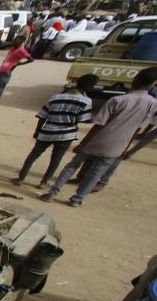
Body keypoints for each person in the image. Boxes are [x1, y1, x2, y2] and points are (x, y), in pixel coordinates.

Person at [41, 68, 157, 207]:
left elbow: (99, 125)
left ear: (135, 79)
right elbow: (138, 129)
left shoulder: (118, 100)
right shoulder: (152, 104)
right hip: (118, 145)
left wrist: (83, 143)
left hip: (98, 140)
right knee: (96, 172)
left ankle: (53, 192)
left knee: (72, 166)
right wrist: (125, 147)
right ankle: (78, 199)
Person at [15, 74, 97, 188]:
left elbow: (42, 115)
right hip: (65, 135)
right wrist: (94, 119)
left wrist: (37, 131)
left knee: (33, 155)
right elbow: (83, 119)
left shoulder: (56, 97)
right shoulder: (86, 101)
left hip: (47, 131)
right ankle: (44, 182)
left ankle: (21, 178)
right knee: (56, 159)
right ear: (89, 86)